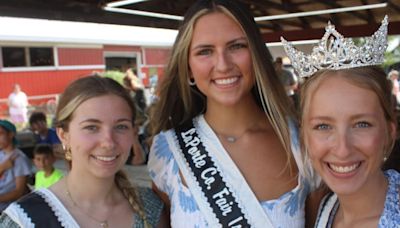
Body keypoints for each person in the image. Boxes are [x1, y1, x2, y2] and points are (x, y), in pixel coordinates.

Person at [148, 0, 315, 227]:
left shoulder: (301, 142)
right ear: (188, 68)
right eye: (205, 51)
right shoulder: (167, 152)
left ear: (256, 54)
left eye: (236, 46)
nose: (223, 64)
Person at [0, 76, 167, 227]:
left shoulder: (150, 208)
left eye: (121, 126)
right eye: (91, 127)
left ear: (133, 132)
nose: (108, 142)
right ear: (64, 135)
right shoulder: (24, 220)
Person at [283, 16, 400, 227]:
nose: (343, 149)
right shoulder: (321, 207)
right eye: (323, 126)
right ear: (304, 137)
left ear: (390, 132)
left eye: (362, 124)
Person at [0, 120, 32, 212]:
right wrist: (2, 167)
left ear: (11, 135)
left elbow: (18, 192)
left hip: (8, 209)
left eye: (0, 134)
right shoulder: (1, 154)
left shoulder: (19, 158)